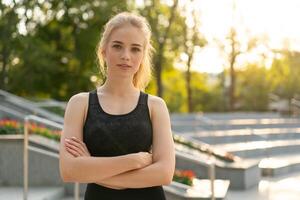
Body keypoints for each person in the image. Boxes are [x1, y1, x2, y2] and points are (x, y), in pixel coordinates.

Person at [59, 12, 175, 200]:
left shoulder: (156, 106)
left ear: (143, 55)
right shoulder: (80, 104)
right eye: (117, 46)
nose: (126, 56)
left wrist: (91, 166)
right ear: (104, 51)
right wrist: (133, 161)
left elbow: (164, 173)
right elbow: (69, 171)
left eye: (135, 49)